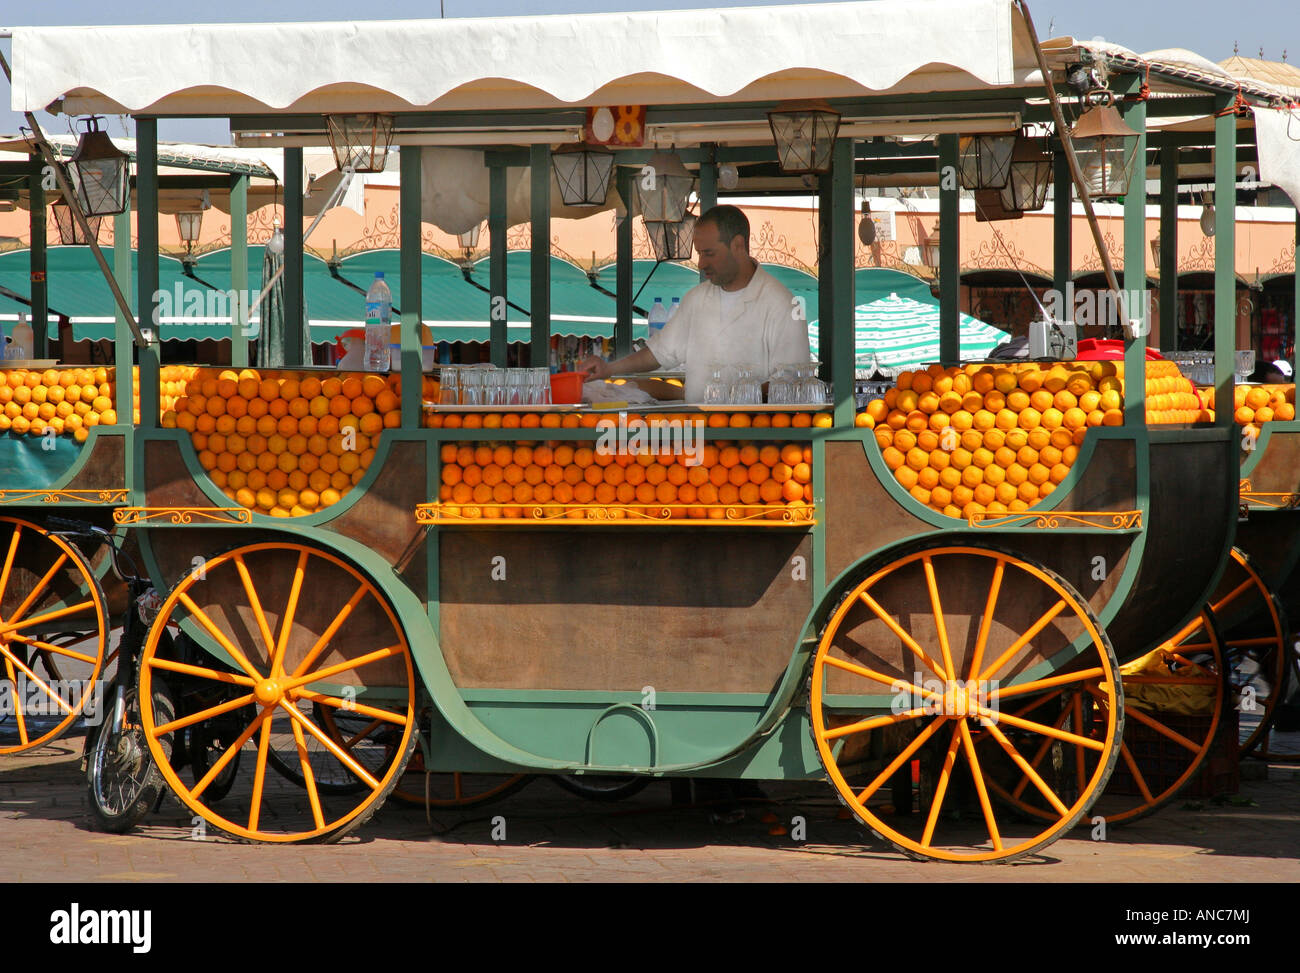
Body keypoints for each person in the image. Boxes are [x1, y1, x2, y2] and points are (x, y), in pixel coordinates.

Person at [578, 205, 810, 400]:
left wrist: (733, 401)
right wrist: (609, 369)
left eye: (709, 254)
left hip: (756, 437)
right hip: (697, 432)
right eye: (699, 254)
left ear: (738, 245)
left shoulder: (782, 304)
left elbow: (791, 380)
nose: (700, 264)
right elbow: (658, 353)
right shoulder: (696, 299)